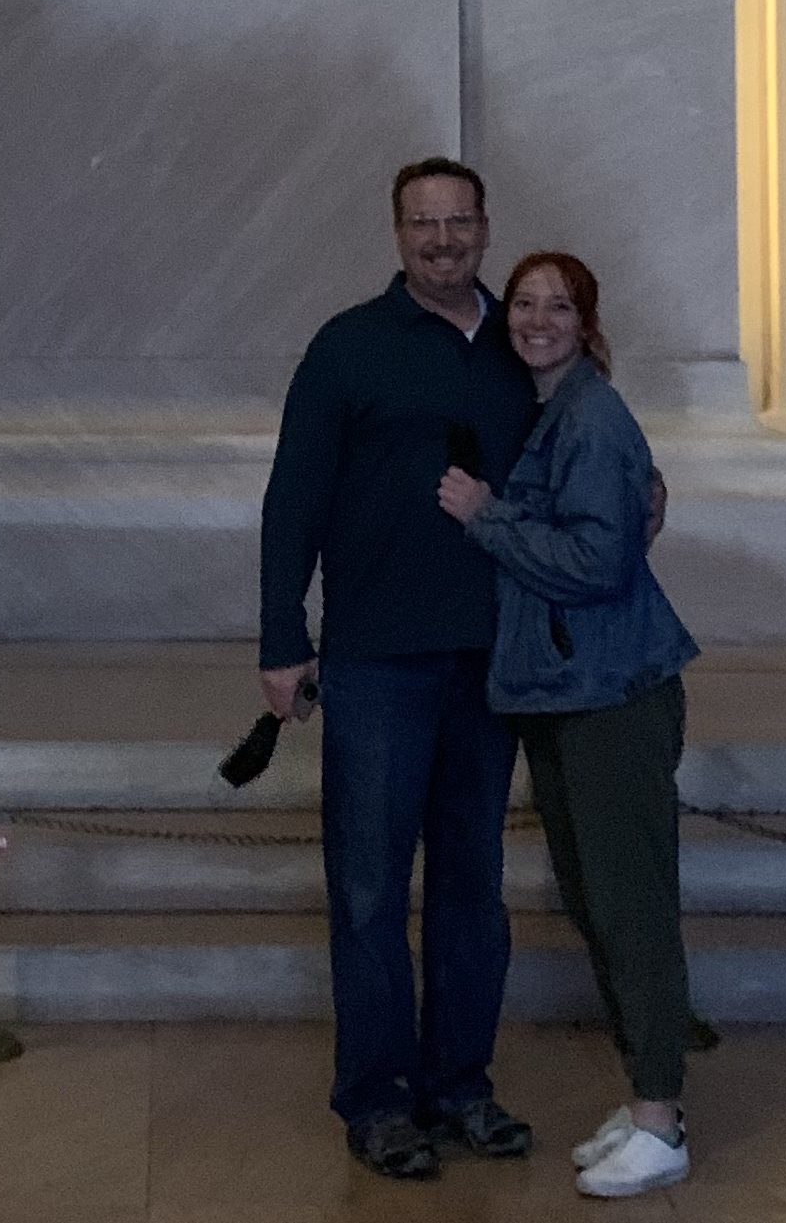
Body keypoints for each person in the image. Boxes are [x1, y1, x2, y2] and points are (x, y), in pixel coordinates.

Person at [258, 157, 538, 1184]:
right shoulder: (347, 346)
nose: (443, 239)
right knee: (372, 886)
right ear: (397, 233)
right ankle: (377, 1098)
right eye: (424, 222)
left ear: (485, 226)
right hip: (377, 656)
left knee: (472, 881)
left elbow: (574, 457)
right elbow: (294, 495)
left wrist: (642, 491)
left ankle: (460, 1082)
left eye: (459, 220)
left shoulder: (522, 343)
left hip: (490, 656)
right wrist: (281, 635)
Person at [437, 252, 699, 1201]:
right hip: (564, 690)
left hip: (610, 695)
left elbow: (598, 562)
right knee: (597, 901)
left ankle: (661, 1118)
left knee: (631, 906)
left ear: (587, 323)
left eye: (559, 305)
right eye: (524, 302)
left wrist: (485, 516)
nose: (537, 319)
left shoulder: (591, 415)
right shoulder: (555, 411)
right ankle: (647, 1103)